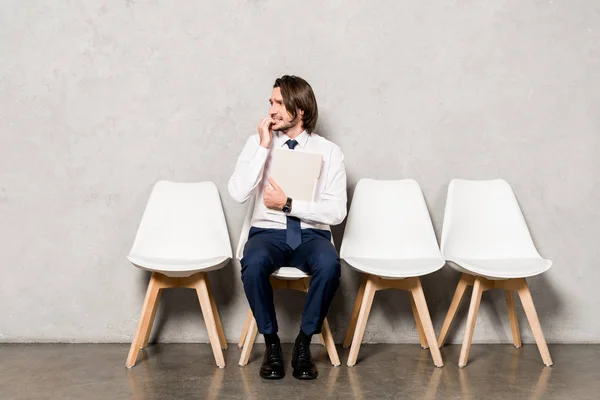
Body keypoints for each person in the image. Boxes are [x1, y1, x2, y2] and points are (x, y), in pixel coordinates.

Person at [228, 75, 347, 380]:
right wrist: (263, 147)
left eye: (279, 103)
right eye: (271, 102)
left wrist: (289, 204)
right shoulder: (256, 144)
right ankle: (271, 344)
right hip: (267, 233)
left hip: (311, 234)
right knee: (252, 262)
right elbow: (238, 193)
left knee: (330, 264)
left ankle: (304, 344)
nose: (272, 110)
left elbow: (336, 211)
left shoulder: (329, 152)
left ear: (301, 110)